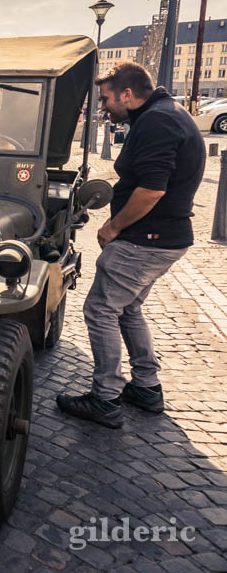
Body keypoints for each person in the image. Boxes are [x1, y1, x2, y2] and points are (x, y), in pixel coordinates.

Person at [57, 63, 205, 428]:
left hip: (145, 239)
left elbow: (152, 190)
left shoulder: (157, 122)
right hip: (163, 238)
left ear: (127, 93)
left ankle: (106, 397)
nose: (103, 107)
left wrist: (113, 226)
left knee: (101, 310)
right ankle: (146, 387)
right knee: (127, 309)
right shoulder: (164, 114)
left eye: (106, 99)